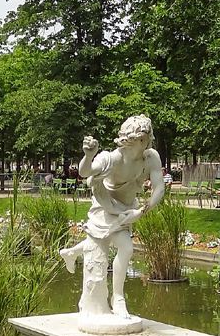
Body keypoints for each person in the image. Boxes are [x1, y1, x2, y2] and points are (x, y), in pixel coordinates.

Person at [59, 114, 165, 324]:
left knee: (102, 240)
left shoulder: (150, 157)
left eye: (145, 138)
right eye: (139, 139)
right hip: (105, 207)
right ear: (129, 139)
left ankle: (70, 253)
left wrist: (141, 211)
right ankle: (118, 298)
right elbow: (85, 171)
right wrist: (88, 156)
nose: (144, 143)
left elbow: (159, 187)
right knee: (123, 248)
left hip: (127, 209)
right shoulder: (112, 158)